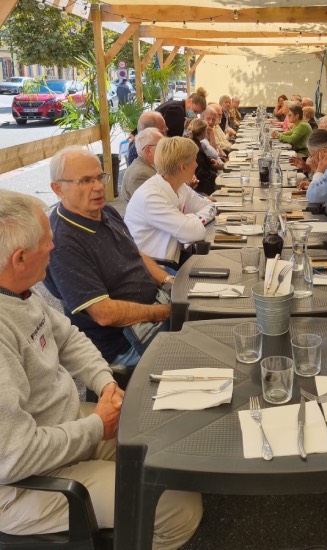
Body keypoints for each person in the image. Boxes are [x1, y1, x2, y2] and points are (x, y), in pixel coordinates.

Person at [0, 190, 202, 548]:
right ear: (19, 257)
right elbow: (14, 457)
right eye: (48, 240)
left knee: (173, 452)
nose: (54, 246)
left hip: (62, 428)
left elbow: (70, 337)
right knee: (179, 505)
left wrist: (104, 383)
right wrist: (96, 425)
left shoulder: (18, 292)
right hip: (22, 484)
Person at [44, 147, 176, 367]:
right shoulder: (62, 242)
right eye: (85, 181)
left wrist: (168, 282)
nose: (98, 187)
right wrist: (166, 312)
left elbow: (135, 253)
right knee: (202, 348)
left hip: (156, 306)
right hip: (125, 342)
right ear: (58, 188)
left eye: (99, 177)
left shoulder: (105, 211)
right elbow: (104, 314)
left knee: (210, 312)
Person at [125, 137, 216, 265]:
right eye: (194, 160)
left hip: (175, 259)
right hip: (155, 270)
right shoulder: (151, 197)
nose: (197, 164)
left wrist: (190, 218)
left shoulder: (179, 186)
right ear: (183, 167)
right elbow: (195, 233)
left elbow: (209, 206)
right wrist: (190, 220)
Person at [121, 127, 163, 202]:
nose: (166, 149)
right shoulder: (140, 175)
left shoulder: (148, 165)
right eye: (162, 146)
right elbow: (155, 205)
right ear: (148, 150)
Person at [187, 118, 218, 196]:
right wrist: (215, 176)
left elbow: (202, 161)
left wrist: (210, 160)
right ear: (203, 132)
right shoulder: (195, 147)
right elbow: (201, 171)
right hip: (203, 185)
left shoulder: (195, 142)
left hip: (205, 180)